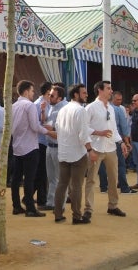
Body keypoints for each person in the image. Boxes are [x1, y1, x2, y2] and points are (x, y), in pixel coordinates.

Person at [83, 81, 127, 221]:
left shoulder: (112, 108)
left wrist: (121, 142)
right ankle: (88, 209)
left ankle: (113, 206)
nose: (111, 91)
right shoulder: (90, 108)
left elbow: (113, 129)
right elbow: (84, 128)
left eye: (110, 88)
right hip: (95, 148)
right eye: (108, 88)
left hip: (111, 148)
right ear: (100, 90)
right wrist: (98, 133)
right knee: (91, 180)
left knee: (114, 178)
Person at [53, 84, 94, 225]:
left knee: (62, 184)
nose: (86, 95)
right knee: (76, 186)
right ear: (76, 94)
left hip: (63, 151)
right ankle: (76, 216)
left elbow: (58, 130)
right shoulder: (80, 110)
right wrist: (90, 150)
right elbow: (83, 135)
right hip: (77, 153)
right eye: (84, 93)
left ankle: (58, 214)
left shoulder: (62, 109)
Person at [10, 80, 49, 217]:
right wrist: (48, 132)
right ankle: (30, 208)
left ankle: (16, 205)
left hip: (17, 146)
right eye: (32, 91)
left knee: (16, 178)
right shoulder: (29, 105)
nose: (33, 93)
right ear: (26, 91)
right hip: (30, 147)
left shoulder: (13, 106)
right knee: (29, 178)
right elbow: (35, 126)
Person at [44, 85, 67, 210]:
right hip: (50, 146)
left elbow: (62, 133)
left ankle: (60, 205)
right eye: (49, 94)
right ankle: (51, 202)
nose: (49, 97)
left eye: (52, 95)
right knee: (51, 177)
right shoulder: (51, 108)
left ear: (59, 98)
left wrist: (45, 130)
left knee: (60, 178)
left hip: (59, 147)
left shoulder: (63, 110)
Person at [33, 81, 52, 210]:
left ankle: (30, 196)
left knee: (42, 172)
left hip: (45, 140)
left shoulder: (48, 103)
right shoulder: (38, 104)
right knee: (42, 172)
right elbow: (38, 124)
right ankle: (41, 199)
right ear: (48, 92)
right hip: (41, 141)